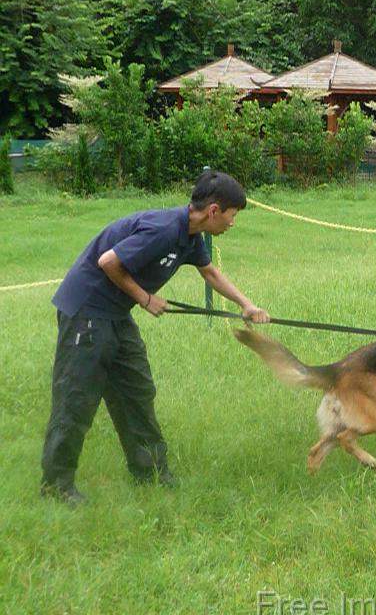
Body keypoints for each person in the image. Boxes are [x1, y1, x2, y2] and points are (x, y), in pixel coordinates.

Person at [40, 170, 270, 505]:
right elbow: (108, 262)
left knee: (137, 390)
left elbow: (210, 272)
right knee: (76, 398)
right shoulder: (163, 230)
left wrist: (246, 305)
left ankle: (150, 472)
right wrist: (146, 299)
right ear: (214, 211)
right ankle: (56, 486)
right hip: (86, 311)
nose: (233, 223)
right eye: (233, 215)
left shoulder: (190, 236)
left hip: (116, 315)